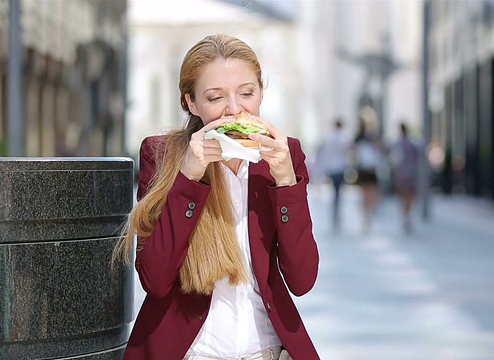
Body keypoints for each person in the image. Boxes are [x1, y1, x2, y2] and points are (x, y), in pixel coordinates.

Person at [113, 34, 320, 360]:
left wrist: (285, 182)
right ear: (191, 102)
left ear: (261, 93)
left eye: (247, 93)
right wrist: (190, 177)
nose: (235, 109)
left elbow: (302, 279)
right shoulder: (162, 154)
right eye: (215, 97)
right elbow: (154, 279)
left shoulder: (285, 154)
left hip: (266, 350)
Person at [316, 118, 351, 230]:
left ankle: (335, 212)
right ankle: (337, 212)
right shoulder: (344, 137)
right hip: (340, 168)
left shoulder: (329, 137)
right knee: (338, 192)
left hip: (332, 168)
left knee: (335, 192)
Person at [351, 115, 384, 232]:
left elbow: (353, 152)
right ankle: (368, 214)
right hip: (370, 168)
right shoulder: (372, 137)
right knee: (372, 192)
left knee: (365, 193)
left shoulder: (358, 137)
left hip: (364, 168)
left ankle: (366, 215)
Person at [390, 123, 420, 234]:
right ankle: (407, 215)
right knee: (409, 196)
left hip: (401, 174)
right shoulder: (413, 143)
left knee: (402, 196)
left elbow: (394, 159)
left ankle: (405, 215)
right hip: (411, 173)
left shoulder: (398, 143)